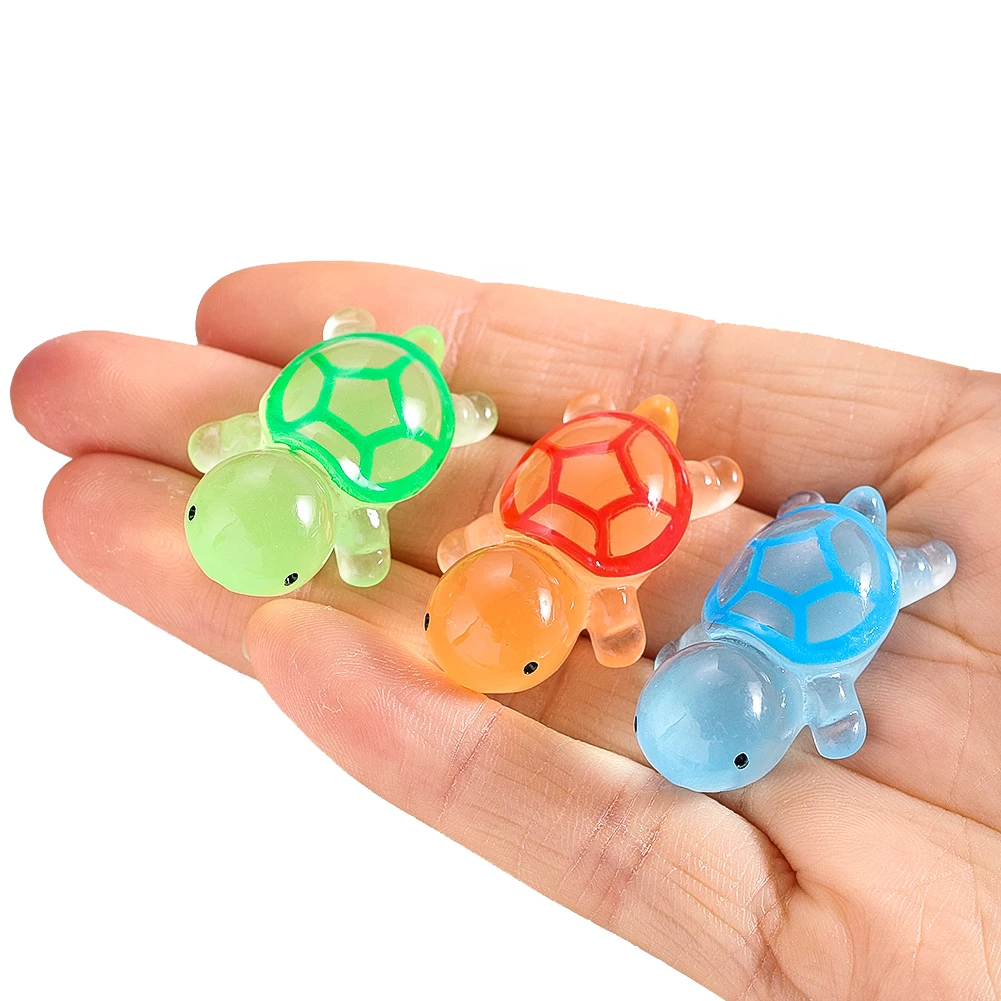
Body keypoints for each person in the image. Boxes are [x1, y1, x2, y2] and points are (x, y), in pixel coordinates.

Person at [10, 262, 1001, 1001]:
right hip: (620, 511)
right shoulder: (638, 606)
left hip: (673, 516)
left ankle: (878, 550)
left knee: (902, 561)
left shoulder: (704, 633)